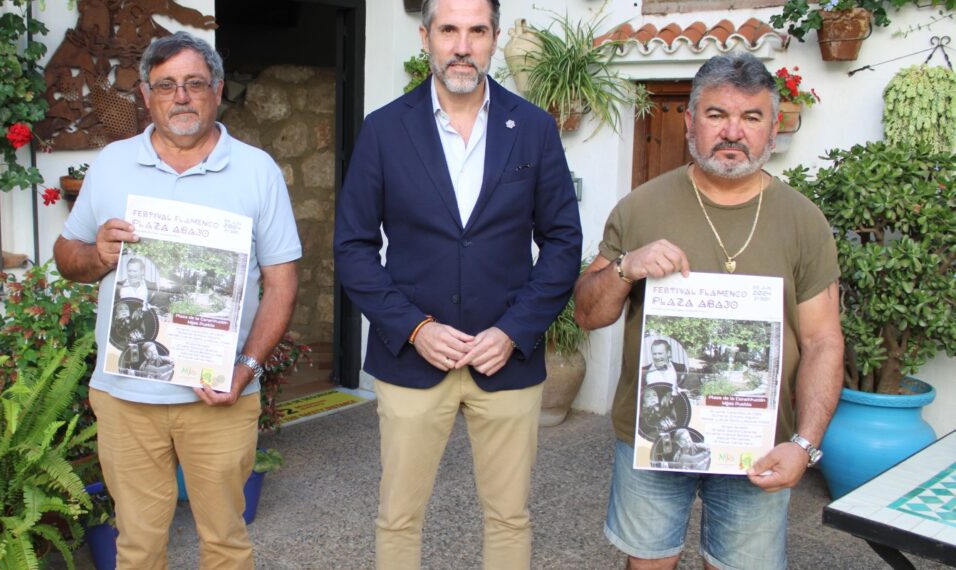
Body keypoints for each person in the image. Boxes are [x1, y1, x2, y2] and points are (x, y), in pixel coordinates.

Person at [333, 1, 583, 567]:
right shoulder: (384, 130)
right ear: (426, 38)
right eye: (449, 30)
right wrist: (414, 328)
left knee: (510, 517)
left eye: (477, 31)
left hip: (506, 359)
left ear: (495, 38)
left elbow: (563, 243)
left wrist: (514, 331)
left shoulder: (534, 128)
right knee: (398, 517)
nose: (463, 46)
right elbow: (353, 247)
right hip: (412, 358)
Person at [573, 52, 843, 570]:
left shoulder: (804, 221)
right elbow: (587, 314)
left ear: (773, 128)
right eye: (717, 114)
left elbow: (823, 341)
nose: (733, 132)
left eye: (751, 117)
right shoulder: (641, 207)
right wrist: (625, 268)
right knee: (649, 562)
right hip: (654, 436)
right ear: (690, 121)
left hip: (758, 442)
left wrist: (805, 445)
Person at [53, 31, 301, 570]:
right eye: (166, 86)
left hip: (219, 396)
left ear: (217, 89)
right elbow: (67, 256)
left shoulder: (257, 170)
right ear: (146, 95)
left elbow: (282, 282)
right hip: (126, 398)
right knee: (137, 546)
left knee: (226, 542)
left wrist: (246, 368)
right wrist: (98, 255)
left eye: (194, 83)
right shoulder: (112, 163)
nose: (181, 97)